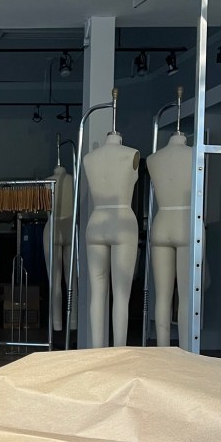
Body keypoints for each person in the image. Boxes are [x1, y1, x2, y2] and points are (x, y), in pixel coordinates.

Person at [83, 131, 139, 348]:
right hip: (122, 221)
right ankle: (118, 352)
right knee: (121, 295)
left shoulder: (90, 158)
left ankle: (96, 352)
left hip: (96, 222)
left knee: (97, 293)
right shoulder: (131, 153)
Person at [147, 131, 193, 349]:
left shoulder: (154, 158)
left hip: (162, 222)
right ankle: (186, 353)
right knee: (185, 296)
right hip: (186, 222)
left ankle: (162, 351)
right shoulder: (195, 154)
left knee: (163, 296)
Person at [43, 163, 77, 332]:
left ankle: (56, 323)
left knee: (54, 281)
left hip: (52, 227)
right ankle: (73, 321)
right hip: (69, 226)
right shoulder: (74, 180)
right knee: (72, 280)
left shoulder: (47, 181)